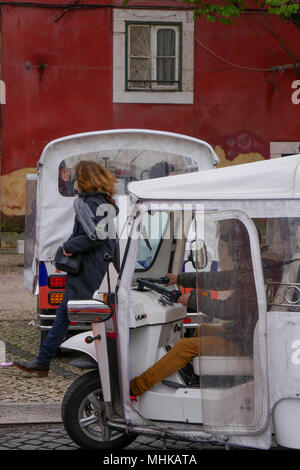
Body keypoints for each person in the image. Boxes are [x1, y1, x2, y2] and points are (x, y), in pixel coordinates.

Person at [130, 224, 282, 397]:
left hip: (245, 342)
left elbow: (228, 309)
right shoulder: (253, 268)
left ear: (236, 249)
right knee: (202, 330)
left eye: (225, 250)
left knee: (184, 347)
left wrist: (192, 299)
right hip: (245, 333)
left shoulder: (254, 272)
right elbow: (219, 279)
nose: (224, 255)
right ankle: (194, 378)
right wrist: (179, 279)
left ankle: (136, 388)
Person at [14, 160, 119, 377]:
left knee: (68, 313)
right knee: (86, 311)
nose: (73, 180)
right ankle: (98, 356)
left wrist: (69, 246)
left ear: (84, 180)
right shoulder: (105, 202)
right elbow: (108, 238)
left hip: (87, 265)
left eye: (76, 177)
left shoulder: (85, 203)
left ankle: (44, 361)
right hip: (99, 263)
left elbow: (95, 236)